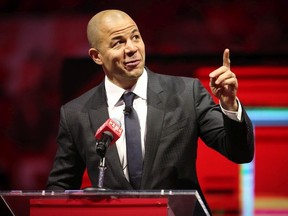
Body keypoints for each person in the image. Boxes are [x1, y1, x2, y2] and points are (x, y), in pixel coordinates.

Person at [46, 9, 254, 213]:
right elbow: (59, 189)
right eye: (118, 42)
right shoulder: (76, 113)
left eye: (135, 37)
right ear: (97, 56)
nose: (131, 48)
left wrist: (229, 105)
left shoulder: (186, 93)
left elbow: (240, 152)